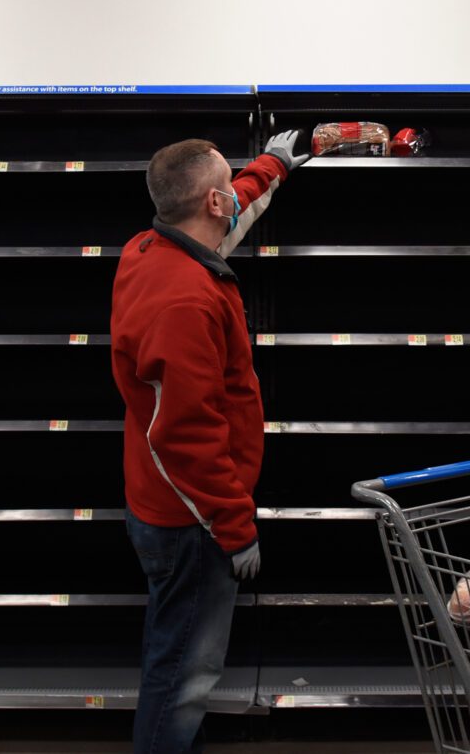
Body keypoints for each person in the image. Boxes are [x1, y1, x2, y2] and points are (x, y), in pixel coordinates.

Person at [110, 131, 308, 754]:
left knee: (170, 648)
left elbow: (235, 211)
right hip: (190, 522)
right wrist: (233, 525)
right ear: (213, 203)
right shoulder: (186, 302)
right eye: (229, 183)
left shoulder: (148, 248)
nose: (234, 192)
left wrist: (272, 164)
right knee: (184, 674)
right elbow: (184, 436)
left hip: (162, 504)